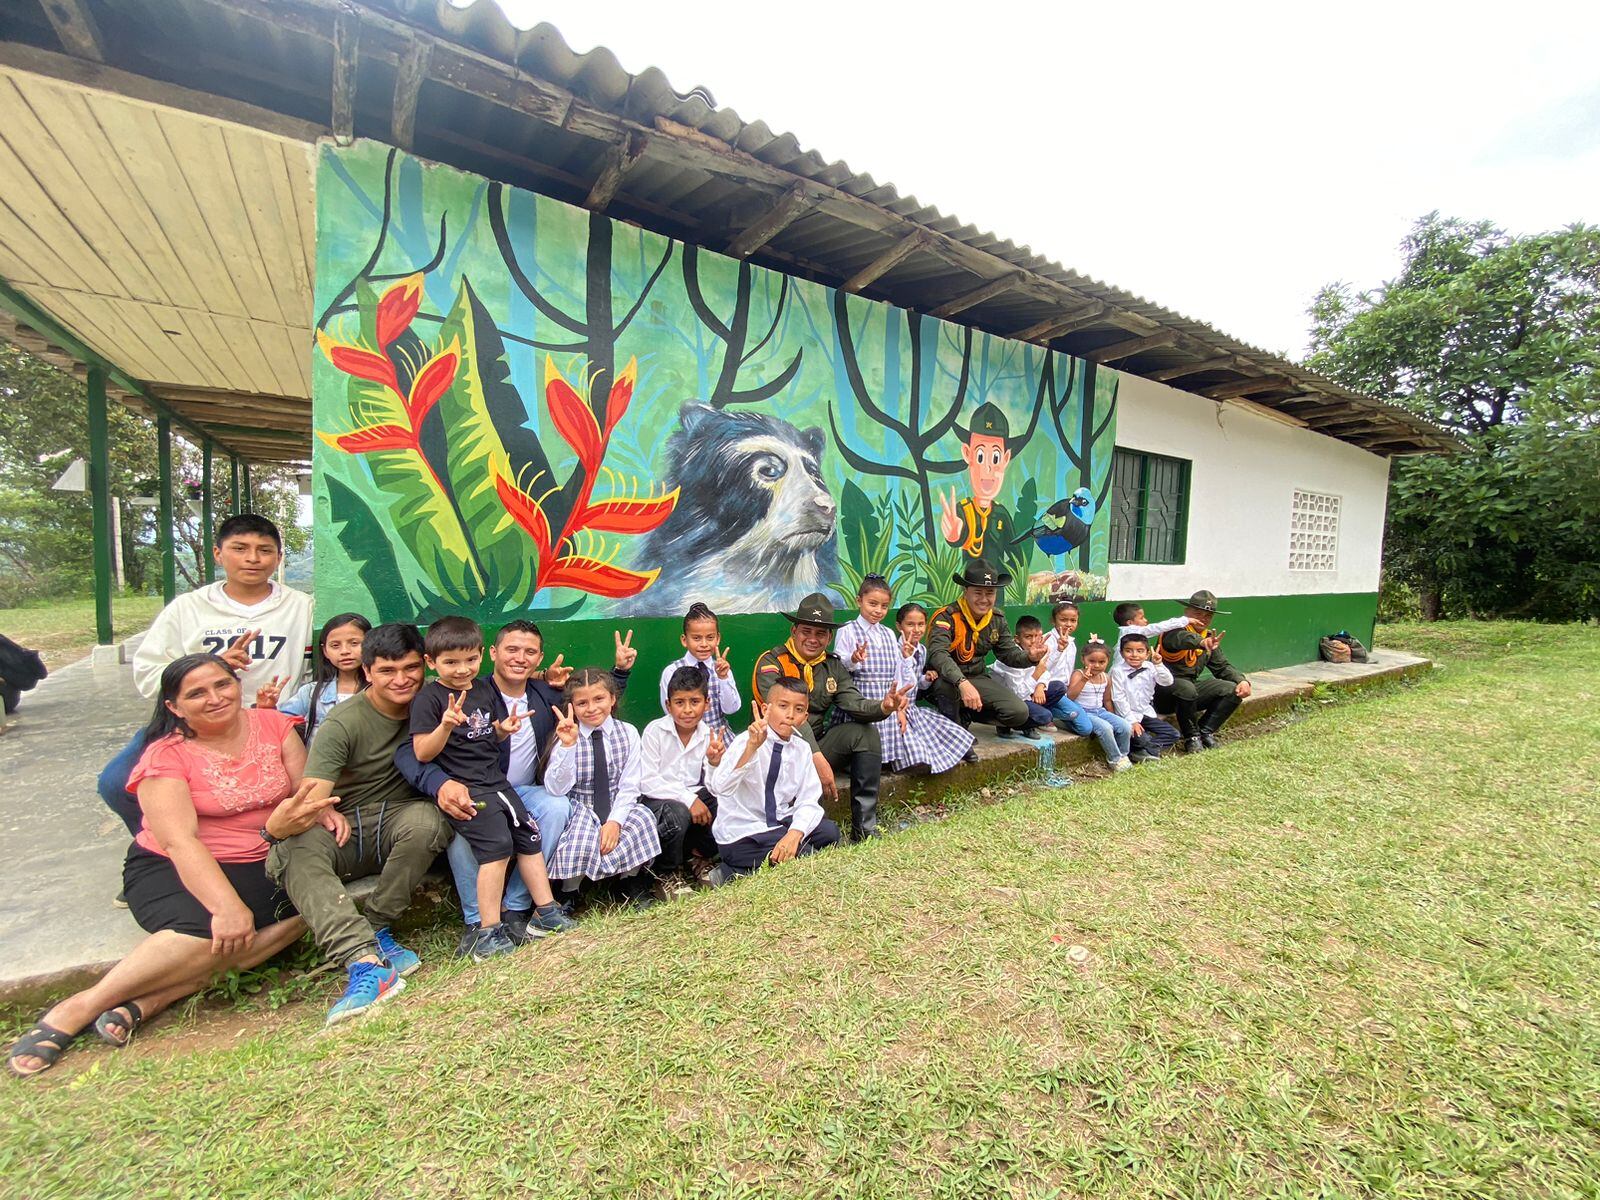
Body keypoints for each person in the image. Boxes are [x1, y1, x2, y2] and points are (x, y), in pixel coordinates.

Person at [8, 654, 325, 1077]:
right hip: (174, 865)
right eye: (197, 693)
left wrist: (315, 814)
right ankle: (80, 1005)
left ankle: (154, 999)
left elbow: (303, 792)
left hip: (266, 855)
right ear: (174, 706)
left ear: (238, 685)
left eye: (222, 684)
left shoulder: (274, 726)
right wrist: (227, 907)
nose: (215, 698)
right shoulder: (165, 756)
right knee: (212, 933)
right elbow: (179, 841)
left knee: (306, 911)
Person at [395, 620, 631, 949]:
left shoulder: (545, 692)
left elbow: (596, 703)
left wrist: (620, 672)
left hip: (518, 791)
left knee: (554, 808)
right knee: (466, 828)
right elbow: (411, 750)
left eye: (529, 652)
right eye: (512, 650)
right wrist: (441, 784)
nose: (520, 658)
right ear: (493, 653)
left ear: (539, 658)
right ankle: (478, 923)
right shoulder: (464, 692)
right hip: (473, 789)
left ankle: (520, 907)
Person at [265, 623, 453, 1026]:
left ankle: (378, 926)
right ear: (367, 671)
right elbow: (312, 796)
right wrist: (319, 809)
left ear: (424, 665)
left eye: (410, 668)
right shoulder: (344, 722)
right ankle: (364, 961)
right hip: (346, 829)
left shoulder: (436, 705)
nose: (401, 680)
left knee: (429, 821)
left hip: (400, 820)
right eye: (387, 671)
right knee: (294, 848)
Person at [97, 515, 314, 840]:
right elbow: (147, 672)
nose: (252, 558)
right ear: (218, 553)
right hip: (194, 723)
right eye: (239, 548)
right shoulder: (188, 608)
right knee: (116, 783)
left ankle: (257, 846)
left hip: (274, 722)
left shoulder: (302, 608)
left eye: (264, 550)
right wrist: (213, 668)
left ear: (279, 557)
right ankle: (164, 846)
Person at [409, 617, 576, 960]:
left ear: (480, 655)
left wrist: (503, 729)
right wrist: (445, 729)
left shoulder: (487, 691)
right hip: (468, 788)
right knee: (494, 845)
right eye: (451, 662)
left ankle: (543, 911)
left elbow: (486, 734)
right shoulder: (431, 698)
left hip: (499, 785)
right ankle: (484, 929)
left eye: (470, 660)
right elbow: (420, 752)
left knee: (530, 836)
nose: (462, 669)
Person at [752, 593, 911, 842]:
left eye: (820, 634)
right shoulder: (772, 663)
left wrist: (884, 706)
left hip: (816, 746)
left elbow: (854, 703)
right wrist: (816, 757)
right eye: (806, 631)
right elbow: (784, 719)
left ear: (829, 637)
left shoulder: (832, 666)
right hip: (777, 754)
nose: (813, 639)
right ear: (794, 631)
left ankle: (865, 829)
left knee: (865, 733)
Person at [542, 670, 663, 902]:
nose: (591, 708)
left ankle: (629, 881)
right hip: (582, 807)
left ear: (612, 699)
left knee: (642, 820)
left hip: (618, 804)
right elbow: (556, 789)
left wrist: (615, 822)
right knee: (581, 837)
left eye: (599, 699)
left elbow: (630, 785)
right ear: (572, 706)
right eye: (582, 703)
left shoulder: (628, 733)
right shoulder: (566, 736)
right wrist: (567, 747)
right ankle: (570, 890)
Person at [834, 576, 975, 771]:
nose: (878, 610)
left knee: (892, 745)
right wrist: (854, 659)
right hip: (862, 699)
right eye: (872, 604)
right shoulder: (848, 630)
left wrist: (899, 704)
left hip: (887, 698)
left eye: (884, 606)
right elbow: (839, 665)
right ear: (859, 601)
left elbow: (896, 674)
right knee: (865, 744)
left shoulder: (888, 633)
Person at [709, 678, 841, 875]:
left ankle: (747, 869)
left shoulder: (802, 749)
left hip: (779, 821)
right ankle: (728, 873)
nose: (790, 715)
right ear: (766, 709)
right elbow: (720, 788)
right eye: (783, 706)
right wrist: (751, 749)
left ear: (805, 717)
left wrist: (795, 833)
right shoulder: (745, 741)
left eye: (798, 709)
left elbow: (809, 799)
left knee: (829, 833)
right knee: (805, 857)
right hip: (744, 831)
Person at [925, 558, 1047, 735]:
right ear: (965, 591)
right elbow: (938, 654)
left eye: (990, 593)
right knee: (945, 687)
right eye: (978, 593)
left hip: (977, 677)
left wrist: (1030, 657)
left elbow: (1008, 654)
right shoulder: (947, 617)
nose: (984, 599)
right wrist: (962, 683)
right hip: (945, 679)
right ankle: (954, 728)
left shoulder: (996, 619)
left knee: (1018, 712)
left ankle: (967, 713)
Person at [638, 665, 727, 882]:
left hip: (692, 794)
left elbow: (713, 785)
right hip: (658, 799)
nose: (687, 710)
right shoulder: (655, 731)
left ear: (707, 704)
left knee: (725, 802)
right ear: (668, 705)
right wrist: (688, 799)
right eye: (679, 703)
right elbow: (647, 781)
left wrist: (714, 763)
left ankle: (698, 857)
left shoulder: (708, 735)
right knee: (678, 813)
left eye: (695, 702)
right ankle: (667, 872)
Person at [1154, 590, 1252, 753]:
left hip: (1189, 693)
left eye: (1208, 616)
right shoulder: (1173, 630)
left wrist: (1242, 680)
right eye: (1197, 614)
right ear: (1186, 612)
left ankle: (1205, 731)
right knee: (1186, 688)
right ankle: (1191, 737)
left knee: (1231, 689)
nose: (1203, 619)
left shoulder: (1209, 638)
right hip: (1163, 692)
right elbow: (1182, 639)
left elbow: (1222, 666)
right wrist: (1201, 642)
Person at [261, 612, 370, 745]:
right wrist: (268, 709)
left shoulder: (379, 691)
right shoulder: (310, 693)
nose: (345, 651)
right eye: (335, 645)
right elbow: (278, 727)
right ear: (325, 651)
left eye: (354, 643)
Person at [990, 614, 1095, 743]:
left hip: (1026, 693)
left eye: (1037, 636)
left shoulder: (1037, 650)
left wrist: (1040, 686)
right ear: (1017, 639)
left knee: (1058, 687)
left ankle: (1031, 719)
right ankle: (1006, 724)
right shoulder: (1011, 658)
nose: (1033, 641)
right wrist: (1036, 676)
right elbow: (1018, 694)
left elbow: (1046, 672)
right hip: (1010, 700)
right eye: (1028, 637)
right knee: (1044, 716)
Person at [937, 402, 1019, 563]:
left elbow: (1017, 557)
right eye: (980, 456)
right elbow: (959, 534)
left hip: (997, 580)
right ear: (967, 454)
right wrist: (954, 536)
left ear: (1005, 459)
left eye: (995, 457)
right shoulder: (963, 510)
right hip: (970, 580)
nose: (988, 468)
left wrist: (1008, 574)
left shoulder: (1001, 513)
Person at [657, 602, 740, 738]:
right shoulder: (671, 672)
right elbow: (670, 712)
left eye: (710, 638)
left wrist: (723, 678)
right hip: (687, 738)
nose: (704, 644)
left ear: (718, 638)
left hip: (719, 738)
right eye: (696, 638)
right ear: (684, 640)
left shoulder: (722, 669)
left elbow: (731, 709)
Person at [1067, 636, 1133, 771]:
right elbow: (1070, 697)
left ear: (1108, 661)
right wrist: (1083, 680)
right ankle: (1114, 759)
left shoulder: (1106, 677)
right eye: (1091, 661)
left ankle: (1123, 755)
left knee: (1125, 726)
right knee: (1105, 728)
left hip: (1100, 711)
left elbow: (1107, 700)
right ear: (1083, 659)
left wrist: (1113, 716)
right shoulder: (1078, 674)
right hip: (1083, 712)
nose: (1096, 665)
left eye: (1102, 662)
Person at [1112, 633, 1180, 762]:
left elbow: (1167, 681)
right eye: (1128, 651)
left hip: (1145, 713)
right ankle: (1142, 750)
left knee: (1173, 734)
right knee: (1140, 737)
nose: (1134, 655)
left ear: (1147, 654)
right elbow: (1118, 699)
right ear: (1121, 653)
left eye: (1140, 651)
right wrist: (1132, 721)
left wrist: (1158, 664)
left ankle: (1141, 751)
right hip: (1127, 715)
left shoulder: (1150, 667)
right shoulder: (1117, 671)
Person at [1112, 602, 1191, 646]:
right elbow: (1157, 628)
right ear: (1130, 623)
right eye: (1141, 618)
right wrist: (1185, 620)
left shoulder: (1126, 632)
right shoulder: (1130, 631)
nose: (1146, 620)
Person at [1042, 602, 1079, 690]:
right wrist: (1059, 650)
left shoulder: (1071, 643)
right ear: (1053, 621)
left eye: (1073, 620)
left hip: (1065, 690)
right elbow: (1041, 669)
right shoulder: (1046, 640)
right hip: (1046, 688)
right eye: (1063, 620)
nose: (1069, 624)